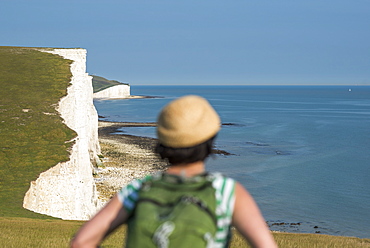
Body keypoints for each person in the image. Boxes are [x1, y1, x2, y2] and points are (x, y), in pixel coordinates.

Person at [71, 95, 277, 248]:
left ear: (163, 141)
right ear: (210, 141)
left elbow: (81, 242)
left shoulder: (138, 190)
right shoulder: (227, 191)